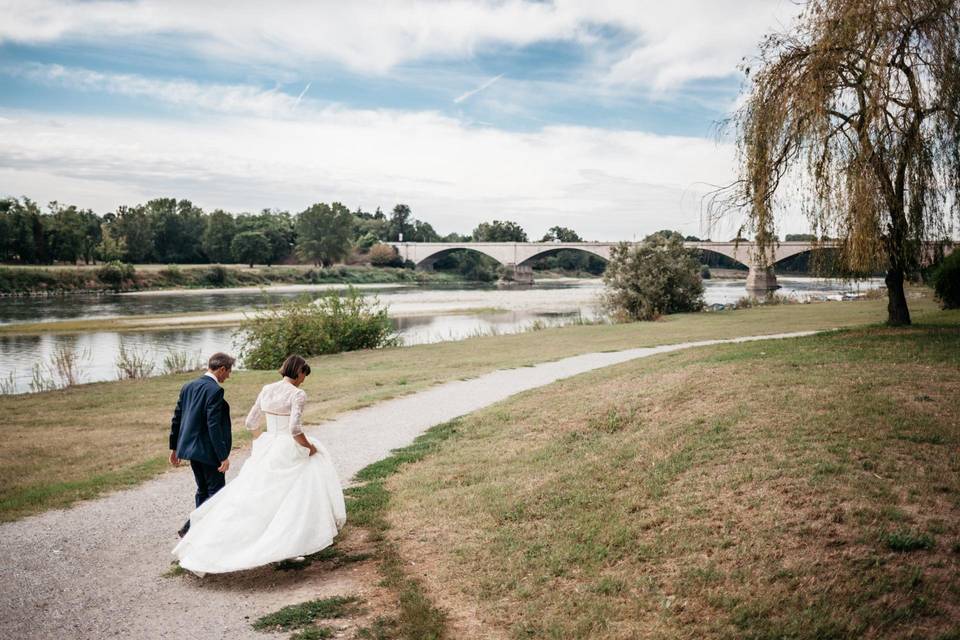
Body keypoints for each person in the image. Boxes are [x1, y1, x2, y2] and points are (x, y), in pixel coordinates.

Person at [172, 354, 346, 575]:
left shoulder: (267, 389)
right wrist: (309, 447)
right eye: (304, 375)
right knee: (293, 494)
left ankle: (228, 540)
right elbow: (294, 430)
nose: (304, 380)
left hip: (268, 445)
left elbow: (250, 422)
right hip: (286, 446)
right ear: (299, 372)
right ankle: (289, 543)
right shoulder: (297, 394)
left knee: (257, 496)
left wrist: (262, 439)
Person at [169, 352, 235, 538]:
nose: (228, 376)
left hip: (190, 449)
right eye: (228, 372)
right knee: (216, 493)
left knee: (203, 490)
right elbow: (212, 424)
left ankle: (194, 529)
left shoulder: (188, 386)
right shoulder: (214, 391)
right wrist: (222, 455)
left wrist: (175, 448)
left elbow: (177, 419)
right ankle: (195, 529)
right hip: (208, 451)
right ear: (222, 369)